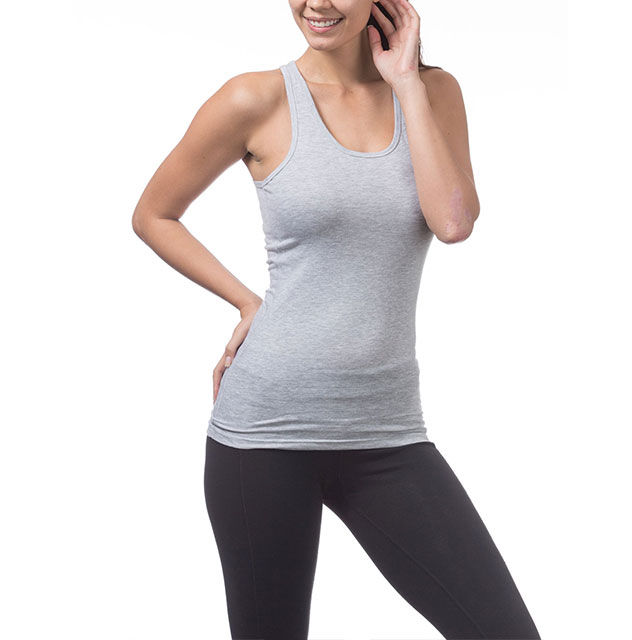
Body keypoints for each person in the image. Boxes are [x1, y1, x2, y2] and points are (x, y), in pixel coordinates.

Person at [132, 1, 541, 638]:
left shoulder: (433, 92)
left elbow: (454, 222)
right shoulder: (254, 99)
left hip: (388, 433)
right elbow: (154, 214)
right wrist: (248, 302)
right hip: (263, 434)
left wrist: (406, 82)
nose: (316, 3)